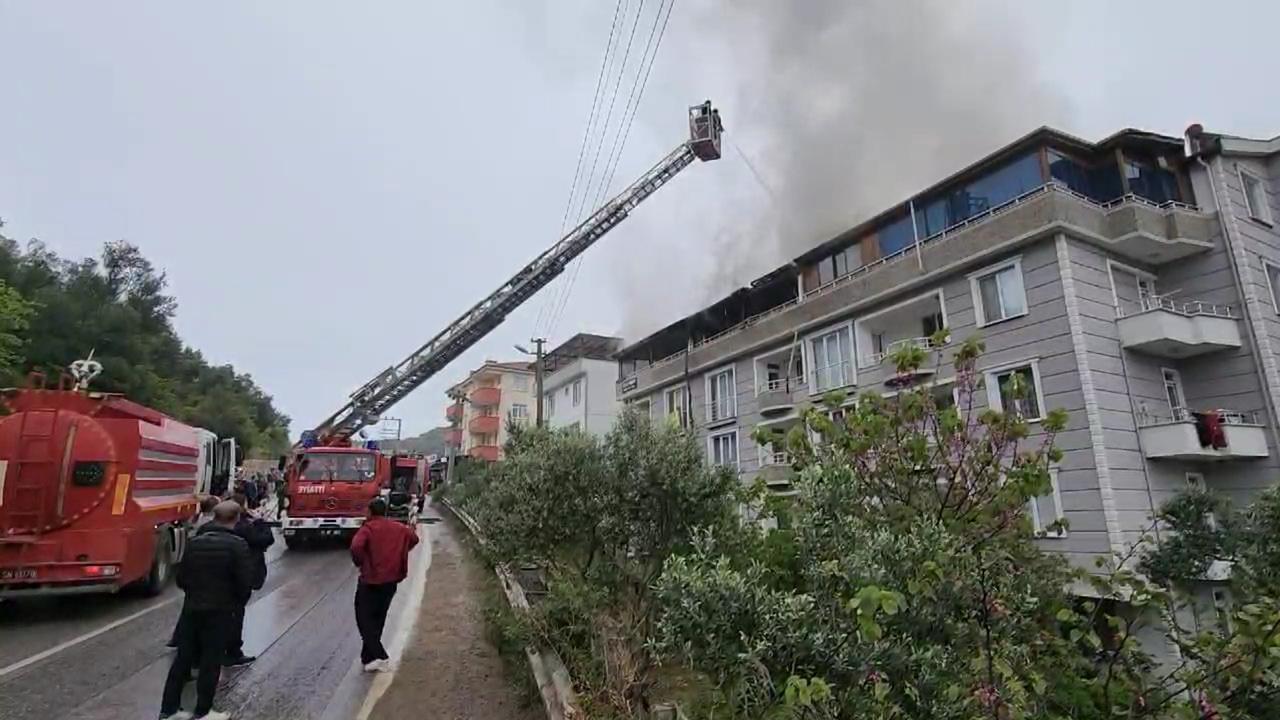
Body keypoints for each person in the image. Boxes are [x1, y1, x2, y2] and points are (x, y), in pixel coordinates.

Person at [159, 501, 251, 720]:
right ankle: (203, 711)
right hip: (220, 610)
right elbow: (244, 583)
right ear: (236, 519)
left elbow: (181, 579)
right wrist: (235, 603)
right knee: (211, 662)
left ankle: (168, 710)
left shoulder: (194, 543)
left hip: (192, 608)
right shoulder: (237, 545)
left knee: (183, 660)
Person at [349, 497, 419, 672]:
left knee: (363, 618)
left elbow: (356, 547)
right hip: (391, 581)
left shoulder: (368, 529)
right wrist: (401, 552)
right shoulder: (398, 528)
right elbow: (414, 538)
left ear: (370, 512)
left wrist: (361, 562)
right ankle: (368, 658)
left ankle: (381, 656)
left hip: (370, 580)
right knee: (378, 618)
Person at [224, 493, 274, 666]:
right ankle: (232, 651)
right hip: (241, 577)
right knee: (236, 615)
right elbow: (265, 539)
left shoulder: (216, 527)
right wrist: (262, 522)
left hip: (224, 578)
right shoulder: (244, 527)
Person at [166, 496, 222, 649]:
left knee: (189, 609)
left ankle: (178, 638)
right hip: (205, 575)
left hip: (193, 573)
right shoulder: (211, 526)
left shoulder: (195, 521)